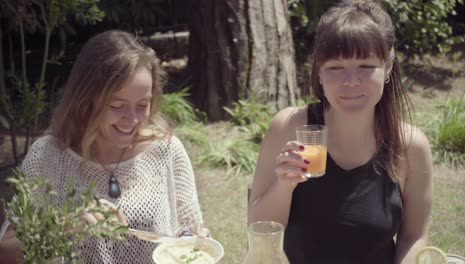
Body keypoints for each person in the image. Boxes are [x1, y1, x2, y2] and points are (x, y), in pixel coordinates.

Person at [247, 1, 433, 263]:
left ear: (388, 67)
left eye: (366, 66)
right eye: (335, 67)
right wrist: (283, 185)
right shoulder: (288, 127)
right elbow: (261, 232)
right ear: (319, 73)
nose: (351, 81)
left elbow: (413, 237)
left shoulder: (411, 146)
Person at [0, 30, 206, 263]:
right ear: (86, 100)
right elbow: (6, 252)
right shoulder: (48, 156)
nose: (133, 119)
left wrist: (192, 239)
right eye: (117, 106)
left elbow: (188, 232)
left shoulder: (166, 150)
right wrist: (66, 226)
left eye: (142, 105)